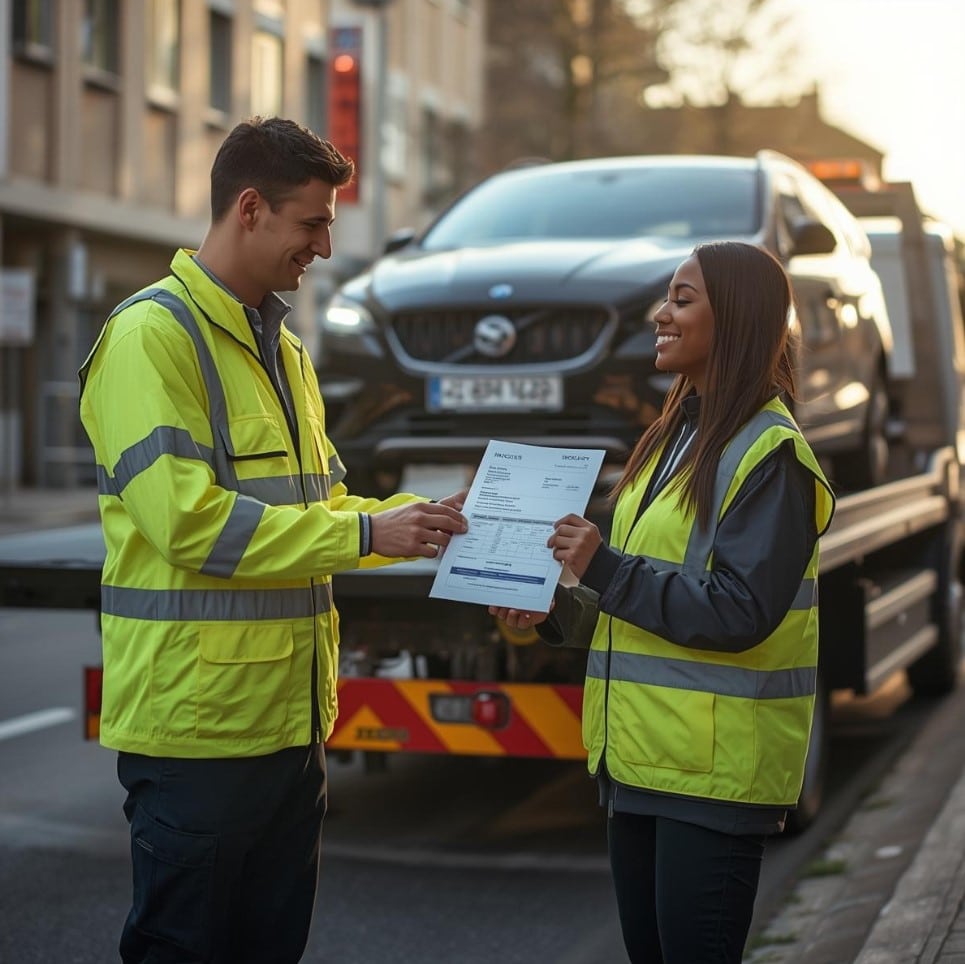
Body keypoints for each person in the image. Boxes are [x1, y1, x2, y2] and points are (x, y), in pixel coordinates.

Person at [78, 116, 468, 964]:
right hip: (197, 736)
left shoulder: (283, 349)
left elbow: (319, 503)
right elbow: (188, 522)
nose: (325, 246)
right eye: (312, 222)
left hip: (288, 730)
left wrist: (414, 516)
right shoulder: (152, 337)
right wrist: (372, 528)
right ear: (249, 208)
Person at [490, 240, 835, 963]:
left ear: (734, 319)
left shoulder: (768, 455)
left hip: (712, 777)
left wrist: (604, 568)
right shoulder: (670, 439)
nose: (659, 315)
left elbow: (740, 610)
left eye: (682, 299)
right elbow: (628, 597)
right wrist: (551, 608)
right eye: (666, 299)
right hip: (640, 768)